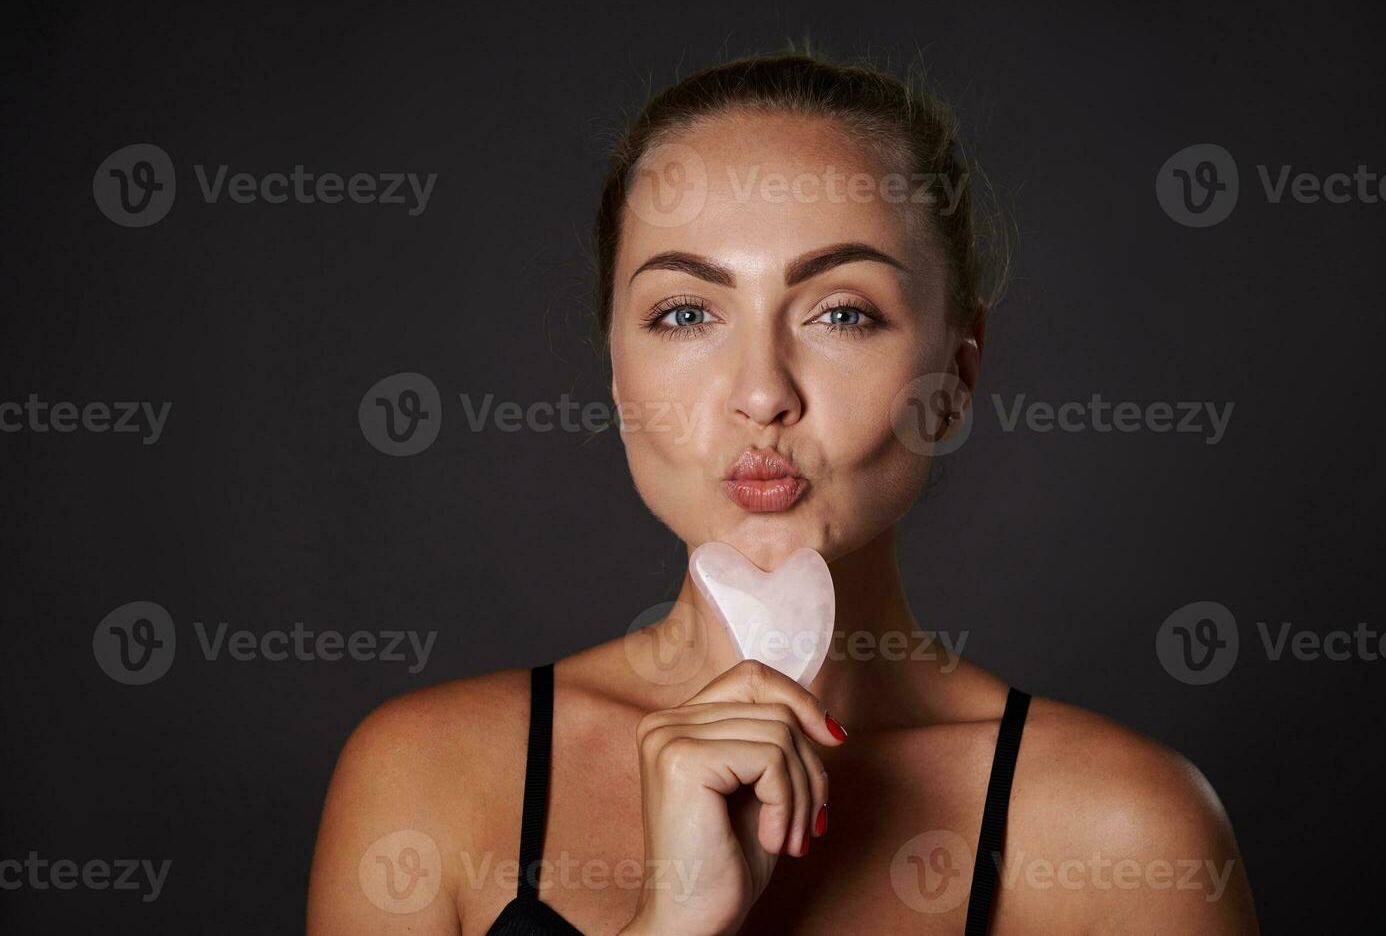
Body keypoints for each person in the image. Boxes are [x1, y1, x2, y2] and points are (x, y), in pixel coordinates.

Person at [307, 50, 1259, 934]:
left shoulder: (1128, 835)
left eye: (842, 313)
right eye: (686, 313)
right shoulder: (430, 785)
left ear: (957, 375)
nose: (762, 392)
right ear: (614, 370)